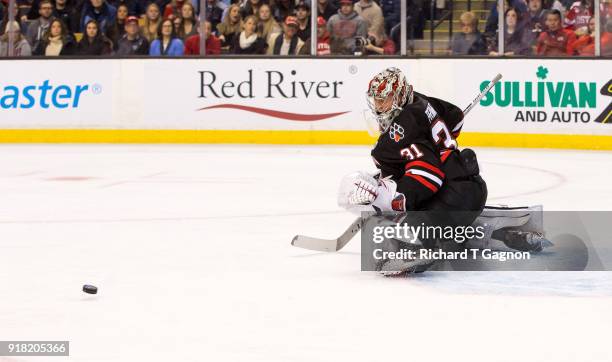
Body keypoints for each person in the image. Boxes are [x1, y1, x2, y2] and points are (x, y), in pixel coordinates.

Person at [338, 67, 488, 274]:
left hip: (452, 195)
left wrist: (392, 195)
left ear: (400, 95)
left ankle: (418, 249)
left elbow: (430, 176)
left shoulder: (403, 126)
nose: (379, 106)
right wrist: (440, 145)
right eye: (376, 99)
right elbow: (455, 116)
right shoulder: (420, 100)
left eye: (385, 98)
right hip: (466, 186)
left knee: (400, 224)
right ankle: (466, 232)